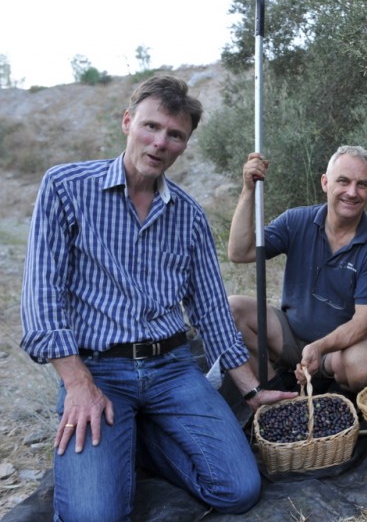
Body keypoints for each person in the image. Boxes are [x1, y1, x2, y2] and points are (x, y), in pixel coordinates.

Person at [19, 75, 297, 521]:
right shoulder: (66, 188)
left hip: (172, 369)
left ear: (184, 145)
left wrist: (251, 389)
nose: (159, 142)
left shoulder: (188, 215)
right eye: (151, 127)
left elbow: (210, 310)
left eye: (174, 135)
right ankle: (122, 432)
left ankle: (140, 437)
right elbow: (41, 299)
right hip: (99, 370)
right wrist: (76, 384)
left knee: (239, 490)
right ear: (127, 122)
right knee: (95, 516)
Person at [227, 146, 367, 394]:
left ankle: (335, 400)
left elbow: (362, 323)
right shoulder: (296, 221)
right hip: (287, 336)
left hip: (336, 351)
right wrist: (248, 190)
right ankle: (276, 393)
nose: (352, 192)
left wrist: (319, 348)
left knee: (364, 364)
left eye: (362, 184)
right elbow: (239, 252)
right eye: (344, 181)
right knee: (231, 309)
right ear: (325, 183)